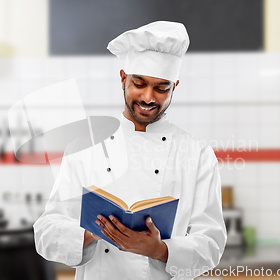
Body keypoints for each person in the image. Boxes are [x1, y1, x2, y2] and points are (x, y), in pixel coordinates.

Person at [33, 21, 227, 280]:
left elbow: (211, 243)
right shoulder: (84, 147)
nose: (148, 97)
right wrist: (93, 231)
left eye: (161, 88)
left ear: (174, 87)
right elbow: (46, 232)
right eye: (139, 83)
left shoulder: (196, 154)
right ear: (123, 79)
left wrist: (160, 250)